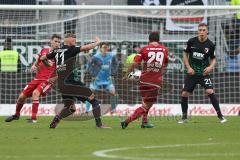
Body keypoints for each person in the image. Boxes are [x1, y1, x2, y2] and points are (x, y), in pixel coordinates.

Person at [40, 33, 110, 129]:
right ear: (67, 39)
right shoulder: (71, 49)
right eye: (73, 39)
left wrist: (47, 64)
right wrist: (97, 42)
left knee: (70, 108)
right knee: (93, 100)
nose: (75, 41)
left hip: (62, 85)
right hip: (72, 82)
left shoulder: (56, 51)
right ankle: (99, 125)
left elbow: (42, 58)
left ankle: (57, 118)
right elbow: (87, 47)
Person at [5, 34, 61, 123]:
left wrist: (54, 78)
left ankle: (33, 118)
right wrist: (34, 65)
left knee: (35, 93)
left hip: (47, 80)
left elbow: (60, 70)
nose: (57, 43)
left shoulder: (59, 55)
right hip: (37, 78)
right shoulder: (44, 50)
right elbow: (39, 59)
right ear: (51, 41)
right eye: (55, 41)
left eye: (59, 42)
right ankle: (16, 115)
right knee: (21, 97)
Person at [178, 23, 227, 124]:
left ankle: (221, 116)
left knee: (209, 91)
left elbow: (213, 59)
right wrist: (188, 67)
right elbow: (185, 53)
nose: (201, 32)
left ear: (207, 31)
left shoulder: (210, 45)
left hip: (204, 73)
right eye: (200, 30)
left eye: (204, 30)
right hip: (192, 73)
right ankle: (184, 118)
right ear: (197, 31)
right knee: (184, 93)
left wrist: (210, 67)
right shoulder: (191, 41)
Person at [121, 32, 168, 129]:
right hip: (155, 81)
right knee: (146, 105)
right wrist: (159, 73)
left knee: (145, 102)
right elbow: (165, 64)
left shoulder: (144, 49)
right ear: (159, 40)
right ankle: (127, 121)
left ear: (149, 40)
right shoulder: (164, 49)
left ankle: (144, 122)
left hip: (144, 80)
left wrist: (127, 75)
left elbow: (134, 63)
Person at [86, 42, 118, 113]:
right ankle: (86, 110)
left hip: (107, 79)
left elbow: (116, 64)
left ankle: (113, 109)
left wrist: (113, 73)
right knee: (91, 93)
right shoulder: (95, 57)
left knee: (113, 92)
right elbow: (89, 65)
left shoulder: (111, 56)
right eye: (104, 47)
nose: (105, 49)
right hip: (97, 79)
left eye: (107, 47)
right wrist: (93, 75)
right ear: (100, 48)